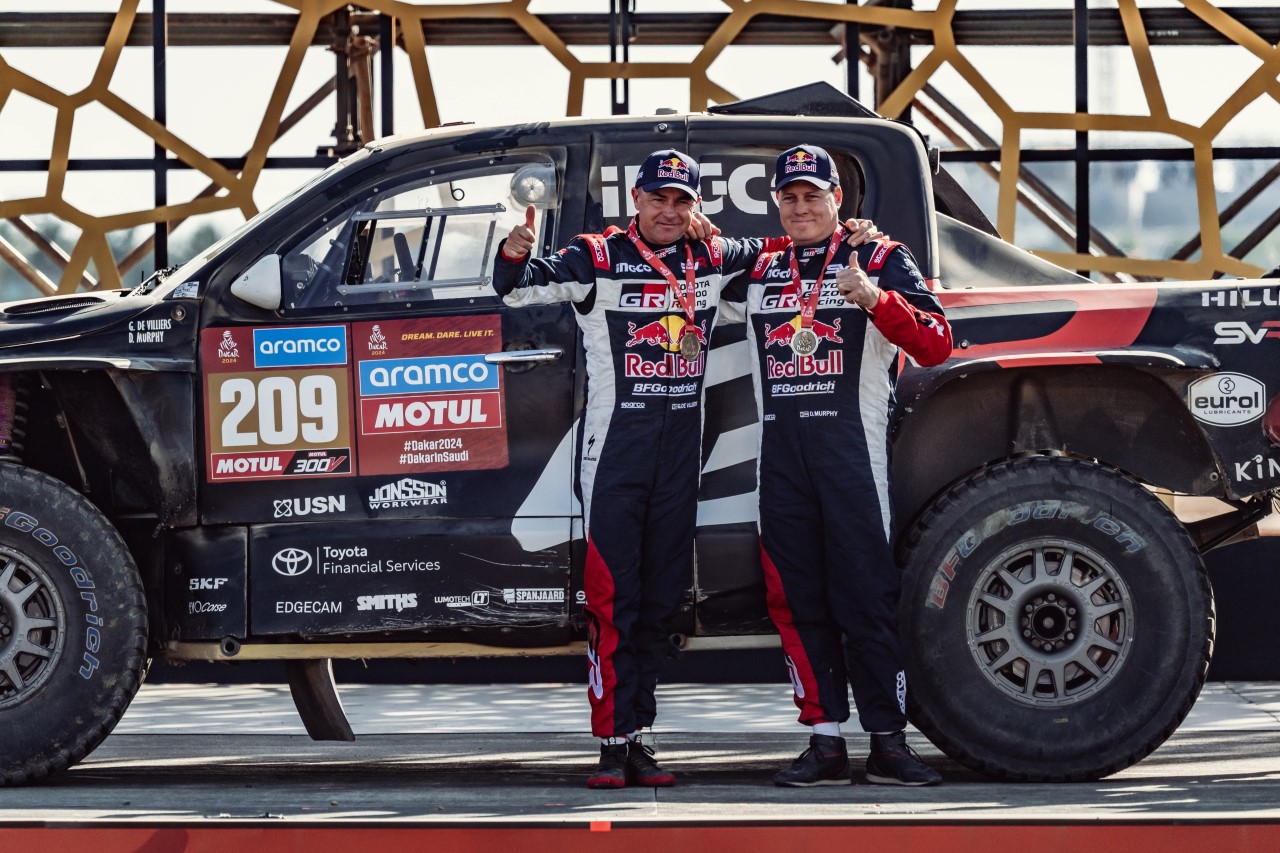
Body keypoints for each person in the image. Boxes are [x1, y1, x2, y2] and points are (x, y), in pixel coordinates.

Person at [493, 149, 878, 789]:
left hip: (680, 455)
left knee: (660, 600)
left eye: (681, 202)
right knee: (613, 597)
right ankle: (611, 745)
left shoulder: (714, 256)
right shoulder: (597, 255)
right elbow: (516, 288)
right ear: (637, 201)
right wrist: (514, 250)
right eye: (658, 199)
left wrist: (859, 234)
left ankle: (639, 739)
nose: (669, 212)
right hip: (616, 452)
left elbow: (794, 250)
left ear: (695, 207)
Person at [735, 144, 953, 787]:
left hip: (851, 456)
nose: (801, 207)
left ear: (838, 199)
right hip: (780, 460)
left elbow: (937, 344)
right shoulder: (759, 264)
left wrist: (876, 299)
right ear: (777, 203)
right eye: (790, 197)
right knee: (796, 600)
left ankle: (888, 742)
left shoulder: (879, 256)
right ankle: (824, 741)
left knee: (867, 598)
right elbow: (684, 261)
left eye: (814, 196)